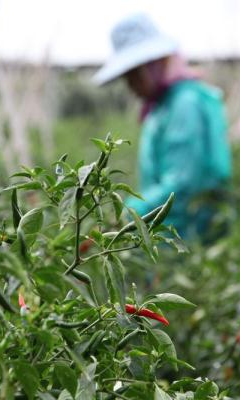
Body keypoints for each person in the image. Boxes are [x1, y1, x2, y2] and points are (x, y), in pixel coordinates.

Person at [93, 13, 232, 241]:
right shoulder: (164, 104)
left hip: (191, 236)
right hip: (171, 231)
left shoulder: (184, 104)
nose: (130, 86)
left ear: (152, 67)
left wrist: (125, 216)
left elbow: (182, 182)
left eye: (133, 76)